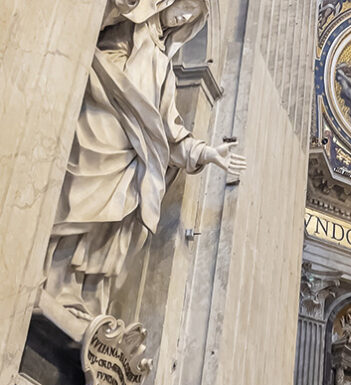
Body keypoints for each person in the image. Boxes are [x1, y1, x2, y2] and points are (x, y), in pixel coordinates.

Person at [44, 0, 246, 320]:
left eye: (192, 15)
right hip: (102, 121)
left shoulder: (164, 64)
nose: (184, 15)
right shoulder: (132, 24)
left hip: (134, 151)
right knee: (77, 202)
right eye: (184, 6)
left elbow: (170, 129)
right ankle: (51, 277)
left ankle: (74, 289)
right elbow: (99, 28)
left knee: (114, 219)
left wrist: (208, 153)